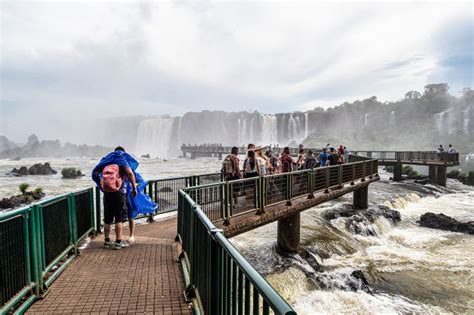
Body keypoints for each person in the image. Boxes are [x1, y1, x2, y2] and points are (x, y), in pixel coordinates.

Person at [94, 147, 138, 249]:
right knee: (119, 218)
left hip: (107, 192)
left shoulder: (107, 160)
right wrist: (134, 187)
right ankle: (118, 242)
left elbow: (95, 172)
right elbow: (130, 173)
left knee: (107, 218)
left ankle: (107, 241)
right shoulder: (121, 159)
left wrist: (101, 186)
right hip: (119, 192)